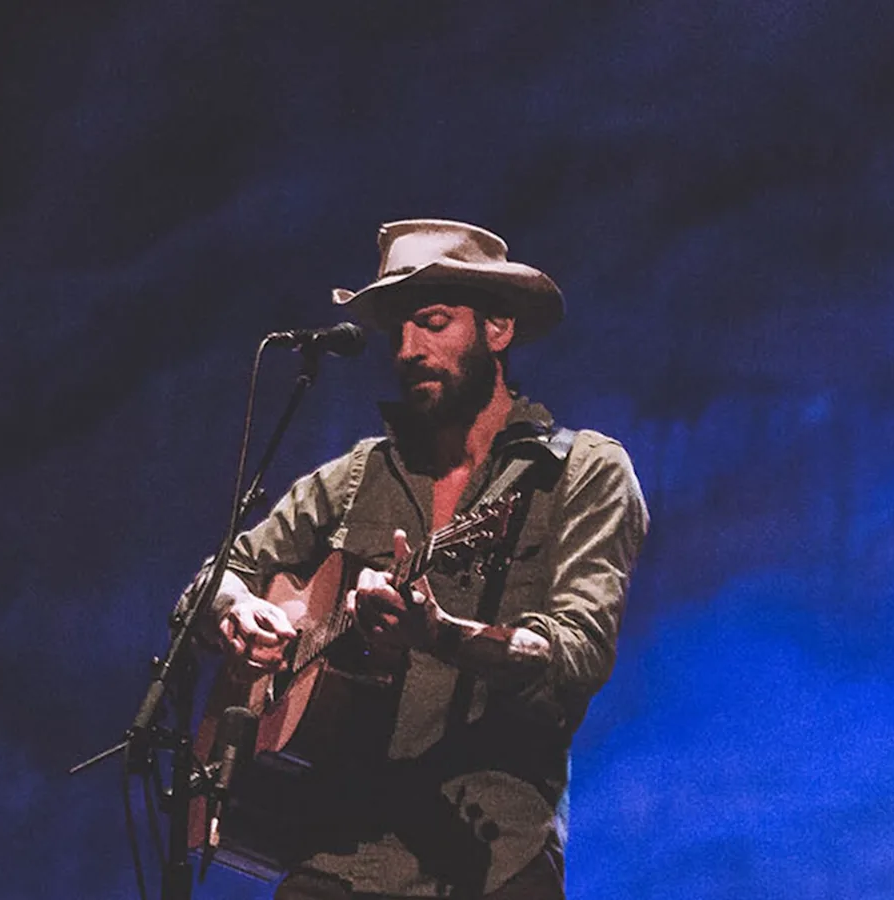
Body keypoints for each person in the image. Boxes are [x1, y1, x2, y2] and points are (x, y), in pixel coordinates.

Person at [183, 219, 648, 899]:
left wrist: (440, 634)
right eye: (397, 330)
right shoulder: (356, 475)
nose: (407, 350)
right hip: (332, 857)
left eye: (431, 323)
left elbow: (577, 655)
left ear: (498, 328)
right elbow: (213, 581)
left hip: (492, 858)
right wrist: (237, 609)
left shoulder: (580, 470)